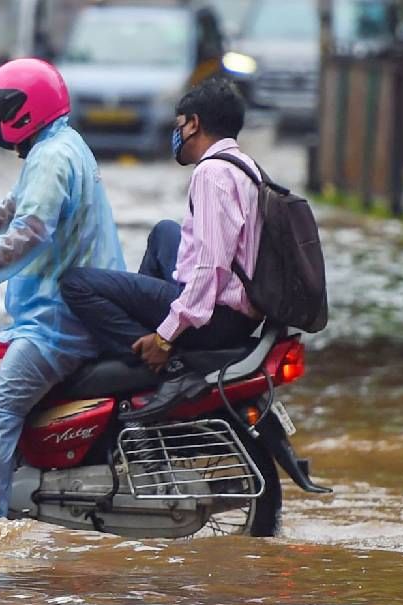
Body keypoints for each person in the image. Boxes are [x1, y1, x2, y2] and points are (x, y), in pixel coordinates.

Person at [0, 58, 125, 520]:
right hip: (52, 314)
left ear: (23, 111)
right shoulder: (59, 147)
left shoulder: (52, 157)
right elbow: (12, 208)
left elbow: (29, 232)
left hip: (59, 324)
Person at [60, 79, 264, 382]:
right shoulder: (244, 165)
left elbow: (211, 266)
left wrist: (166, 335)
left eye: (178, 125)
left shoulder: (211, 173)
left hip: (216, 319)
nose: (176, 134)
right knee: (164, 232)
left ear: (194, 124)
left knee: (76, 282)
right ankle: (146, 332)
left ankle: (148, 353)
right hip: (237, 312)